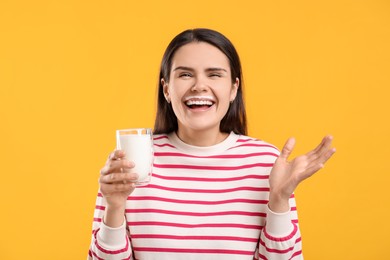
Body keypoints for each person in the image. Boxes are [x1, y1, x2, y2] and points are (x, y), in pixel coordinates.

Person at [88, 28, 335, 260]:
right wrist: (114, 207)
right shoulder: (131, 162)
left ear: (233, 88)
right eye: (185, 74)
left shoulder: (266, 162)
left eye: (214, 74)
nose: (199, 86)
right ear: (166, 89)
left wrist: (279, 199)